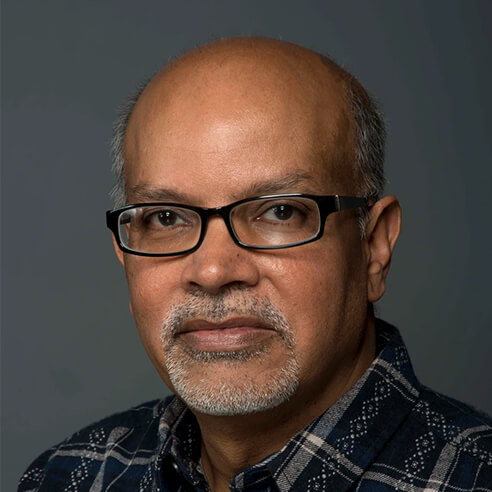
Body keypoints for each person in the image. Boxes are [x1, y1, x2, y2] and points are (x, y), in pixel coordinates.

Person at [19, 37, 492, 492]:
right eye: (166, 217)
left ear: (375, 247)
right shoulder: (70, 475)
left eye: (280, 211)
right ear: (125, 257)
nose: (213, 271)